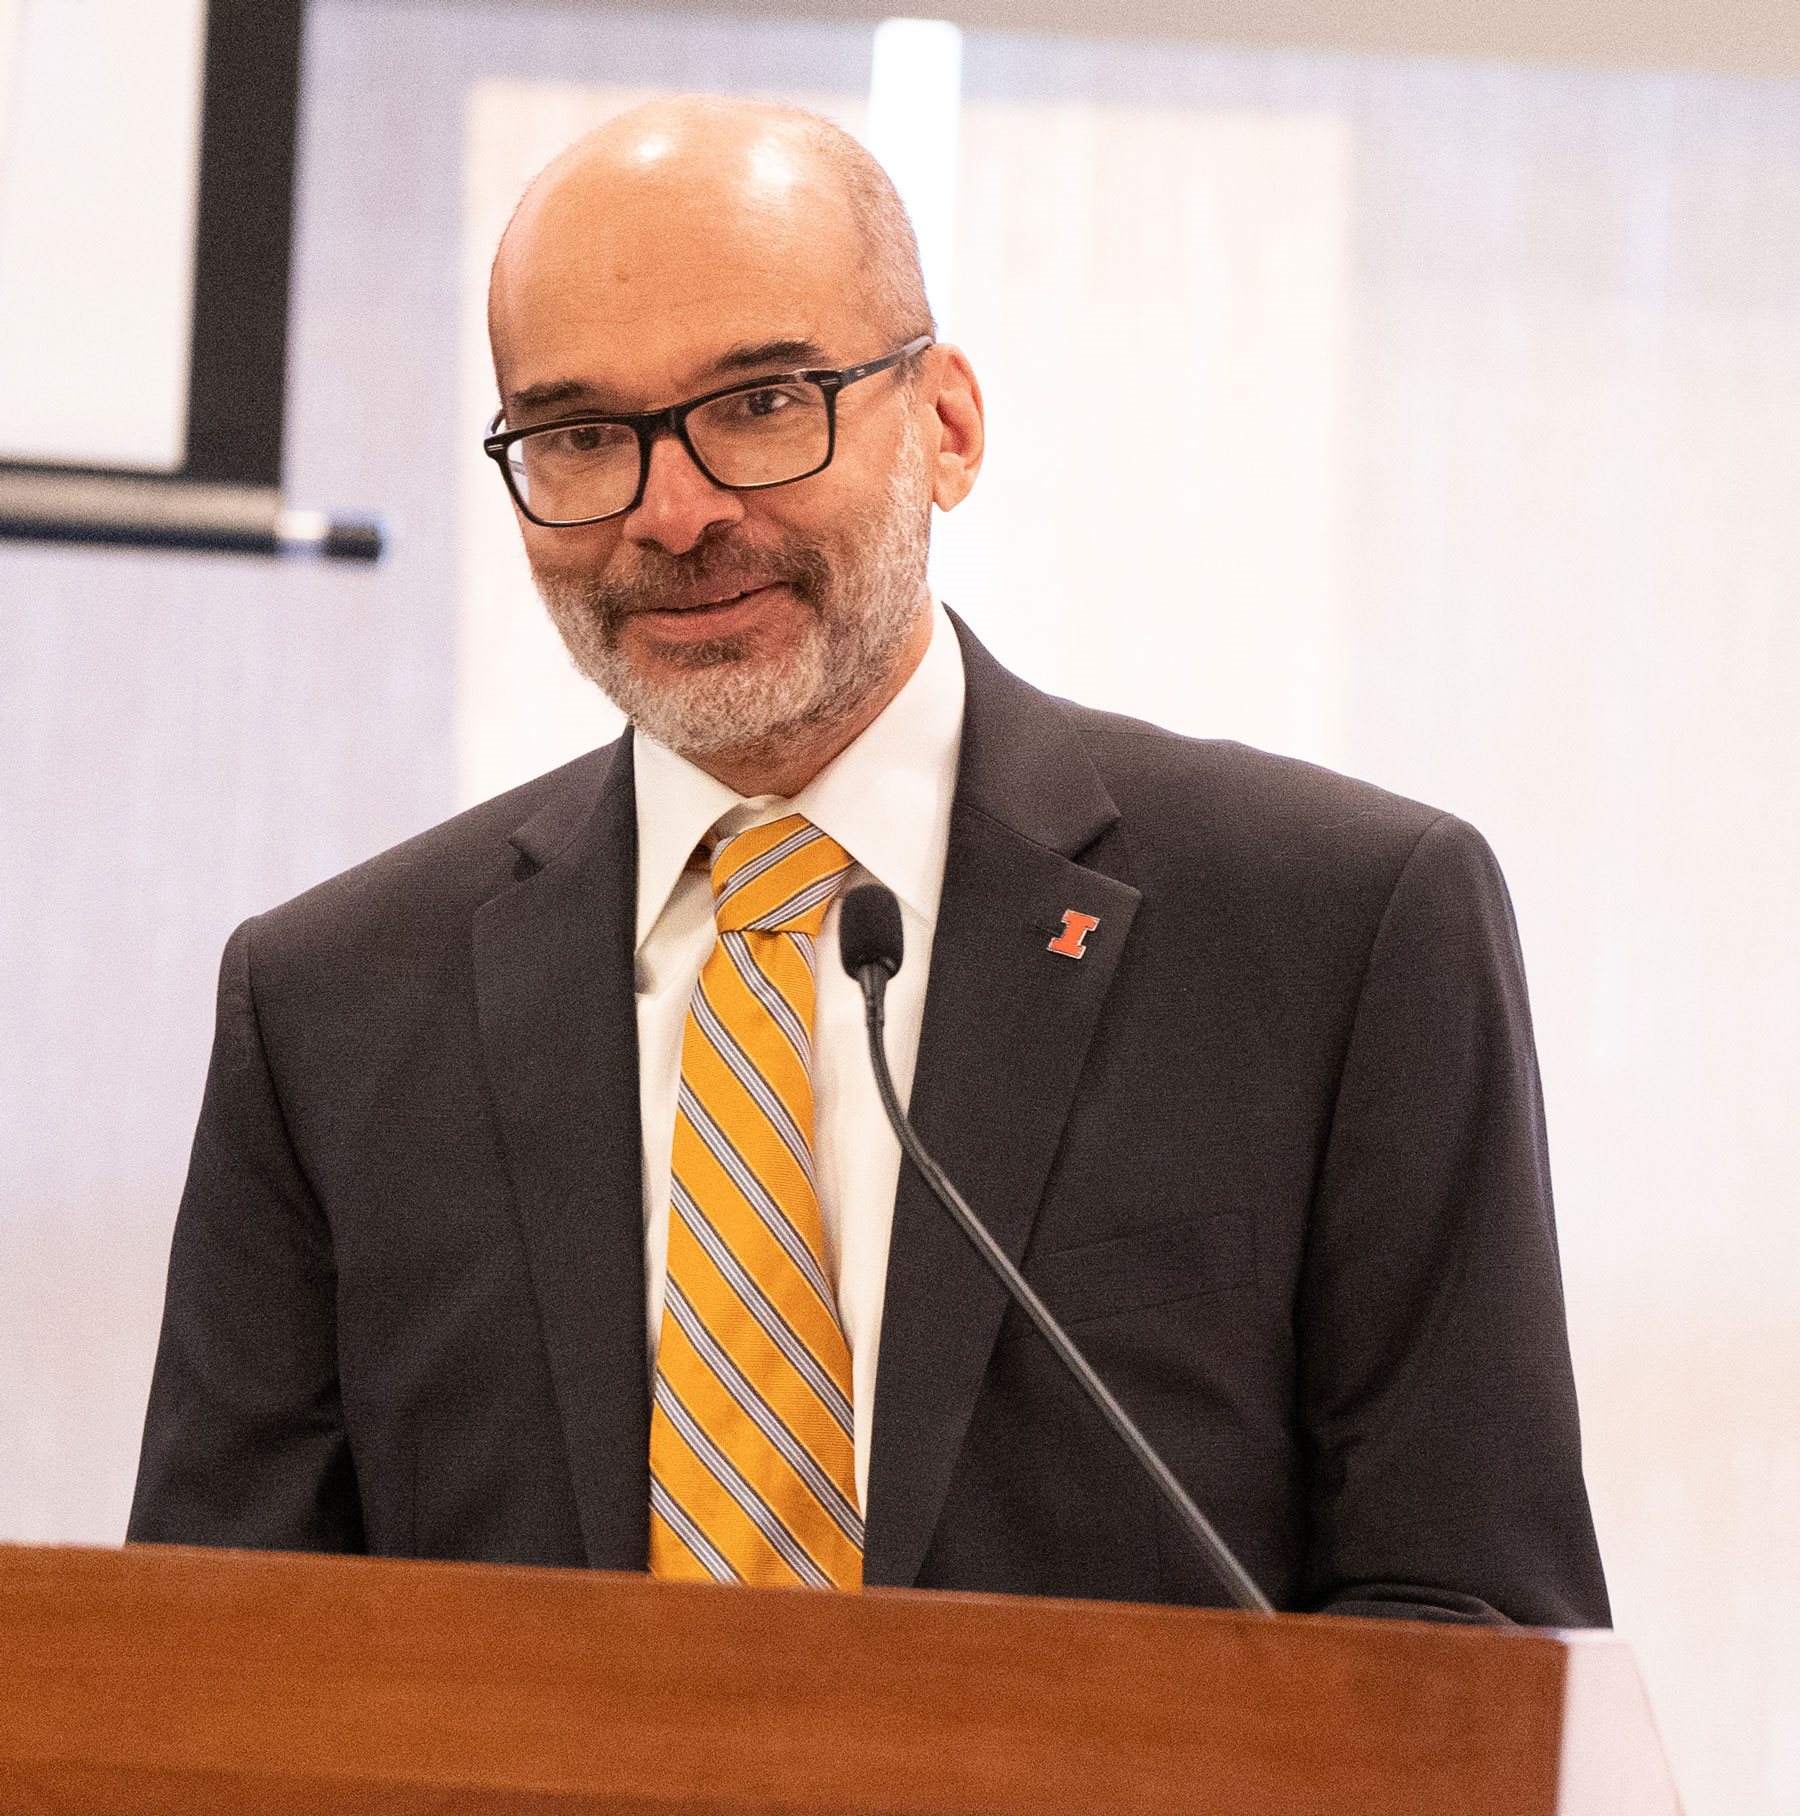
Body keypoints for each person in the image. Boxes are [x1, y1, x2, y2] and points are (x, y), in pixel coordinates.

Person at [130, 95, 1609, 1625]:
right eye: (582, 438)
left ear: (948, 426)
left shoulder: (1338, 932)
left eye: (764, 403)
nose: (675, 511)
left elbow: (1475, 1639)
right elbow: (209, 1670)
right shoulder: (331, 1009)